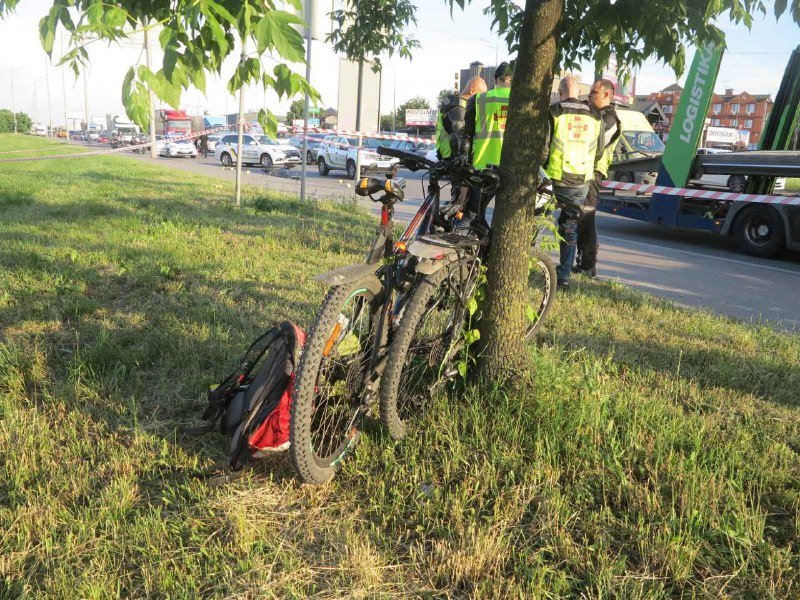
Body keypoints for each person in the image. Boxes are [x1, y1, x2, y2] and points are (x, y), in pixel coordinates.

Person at [544, 76, 603, 290]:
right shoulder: (595, 116)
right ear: (578, 93)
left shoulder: (554, 111)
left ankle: (528, 260)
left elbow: (544, 148)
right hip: (580, 180)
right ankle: (564, 277)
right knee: (570, 227)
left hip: (554, 178)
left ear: (560, 93)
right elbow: (598, 152)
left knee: (537, 218)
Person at [574, 78, 621, 277]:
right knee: (580, 216)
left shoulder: (609, 119)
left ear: (606, 95)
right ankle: (583, 261)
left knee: (586, 216)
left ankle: (588, 265)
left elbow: (595, 145)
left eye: (593, 92)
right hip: (583, 169)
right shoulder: (595, 114)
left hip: (593, 172)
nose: (589, 96)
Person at [459, 62, 514, 229]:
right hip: (512, 170)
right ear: (511, 79)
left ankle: (458, 248)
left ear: (495, 79)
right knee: (508, 222)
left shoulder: (479, 100)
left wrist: (465, 167)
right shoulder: (522, 101)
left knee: (472, 215)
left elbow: (466, 138)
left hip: (483, 168)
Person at [436, 76, 488, 161]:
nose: (481, 99)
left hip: (448, 159)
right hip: (455, 162)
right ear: (472, 90)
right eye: (480, 95)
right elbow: (458, 140)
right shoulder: (459, 107)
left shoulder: (452, 104)